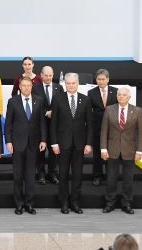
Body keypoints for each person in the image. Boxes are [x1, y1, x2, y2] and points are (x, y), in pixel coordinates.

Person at [50, 72, 93, 214]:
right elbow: (53, 123)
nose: (70, 85)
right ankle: (63, 202)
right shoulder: (57, 99)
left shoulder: (85, 100)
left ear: (78, 83)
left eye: (73, 83)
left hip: (80, 145)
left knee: (77, 175)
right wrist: (54, 143)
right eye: (68, 83)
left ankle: (75, 202)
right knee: (62, 174)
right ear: (65, 84)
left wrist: (88, 143)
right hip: (62, 144)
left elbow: (90, 125)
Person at [5, 77, 47, 215]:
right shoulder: (13, 102)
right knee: (18, 176)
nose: (26, 88)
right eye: (23, 85)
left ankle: (29, 204)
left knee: (30, 176)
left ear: (32, 86)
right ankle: (19, 204)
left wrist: (43, 140)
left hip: (33, 144)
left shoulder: (39, 100)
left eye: (29, 85)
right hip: (17, 144)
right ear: (20, 87)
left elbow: (42, 122)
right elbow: (8, 124)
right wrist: (8, 142)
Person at [101, 87, 142, 215]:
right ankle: (110, 203)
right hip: (112, 149)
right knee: (111, 178)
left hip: (129, 150)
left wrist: (139, 151)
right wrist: (103, 148)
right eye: (119, 95)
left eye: (124, 95)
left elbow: (140, 133)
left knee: (128, 178)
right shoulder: (109, 109)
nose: (121, 97)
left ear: (129, 97)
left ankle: (127, 203)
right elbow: (104, 131)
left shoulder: (137, 111)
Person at [32, 65, 63, 185]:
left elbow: (61, 103)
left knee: (53, 150)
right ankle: (41, 174)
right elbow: (34, 103)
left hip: (55, 125)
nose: (48, 77)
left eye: (50, 75)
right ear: (41, 75)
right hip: (40, 124)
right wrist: (46, 112)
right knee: (40, 150)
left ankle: (52, 173)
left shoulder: (58, 87)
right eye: (46, 75)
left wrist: (54, 112)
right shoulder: (35, 87)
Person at [87, 69, 118, 186]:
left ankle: (110, 176)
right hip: (97, 127)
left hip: (113, 128)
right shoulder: (91, 92)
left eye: (103, 79)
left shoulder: (116, 91)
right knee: (97, 154)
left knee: (111, 153)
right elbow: (89, 111)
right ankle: (97, 176)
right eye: (98, 79)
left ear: (108, 79)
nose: (100, 81)